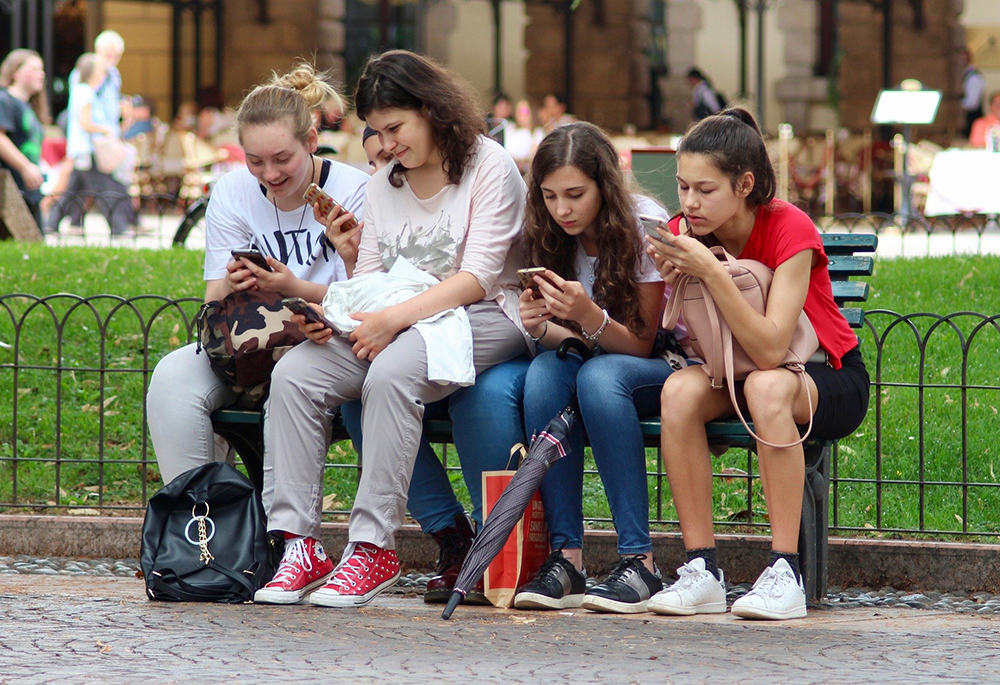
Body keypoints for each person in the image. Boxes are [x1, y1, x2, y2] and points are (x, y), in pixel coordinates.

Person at [255, 50, 530, 609]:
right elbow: (375, 280)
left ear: (432, 110)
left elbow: (477, 277)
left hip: (486, 315)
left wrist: (390, 322)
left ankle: (373, 546)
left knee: (391, 373)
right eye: (375, 132)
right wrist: (341, 308)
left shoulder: (488, 165)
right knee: (297, 376)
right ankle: (299, 543)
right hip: (400, 317)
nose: (385, 144)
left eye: (395, 127)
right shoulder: (384, 183)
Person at [645, 108, 870, 620]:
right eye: (682, 188)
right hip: (737, 372)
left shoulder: (789, 226)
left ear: (745, 184)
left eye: (705, 189)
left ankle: (785, 571)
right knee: (678, 392)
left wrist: (711, 272)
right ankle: (702, 569)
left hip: (824, 375)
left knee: (768, 388)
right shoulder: (687, 231)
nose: (689, 203)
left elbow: (772, 349)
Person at [146, 63, 369, 484]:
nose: (271, 175)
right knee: (172, 380)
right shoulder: (232, 191)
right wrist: (234, 282)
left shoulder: (356, 190)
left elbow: (366, 301)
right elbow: (213, 303)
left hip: (329, 344)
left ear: (312, 142)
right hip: (252, 342)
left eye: (283, 159)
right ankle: (205, 528)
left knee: (292, 376)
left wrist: (293, 287)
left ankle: (286, 536)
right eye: (255, 161)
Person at [508, 122, 680, 614]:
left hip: (658, 367)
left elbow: (642, 343)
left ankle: (639, 561)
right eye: (550, 195)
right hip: (592, 362)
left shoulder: (643, 223)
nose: (562, 209)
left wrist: (588, 316)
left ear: (604, 185)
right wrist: (541, 327)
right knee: (544, 373)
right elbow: (572, 345)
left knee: (599, 377)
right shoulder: (546, 230)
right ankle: (567, 558)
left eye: (576, 195)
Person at [43, 53, 134, 237]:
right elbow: (85, 122)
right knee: (105, 188)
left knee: (74, 189)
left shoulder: (83, 91)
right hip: (88, 149)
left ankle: (51, 223)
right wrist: (106, 130)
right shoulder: (85, 92)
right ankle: (119, 227)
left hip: (82, 150)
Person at [0, 49, 50, 228]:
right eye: (34, 69)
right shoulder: (4, 99)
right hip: (11, 190)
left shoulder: (28, 106)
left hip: (29, 190)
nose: (41, 74)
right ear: (16, 72)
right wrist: (25, 166)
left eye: (41, 70)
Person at [503, 99, 543, 169]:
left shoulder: (537, 132)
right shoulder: (509, 129)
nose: (520, 114)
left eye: (524, 111)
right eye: (518, 111)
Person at [961, 49, 986, 139]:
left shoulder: (974, 78)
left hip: (971, 121)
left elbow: (972, 104)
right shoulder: (961, 75)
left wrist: (954, 105)